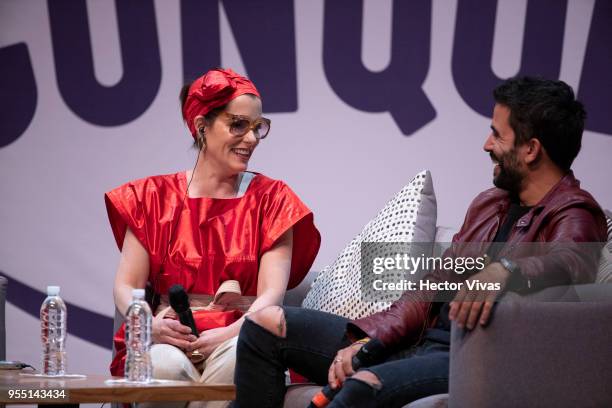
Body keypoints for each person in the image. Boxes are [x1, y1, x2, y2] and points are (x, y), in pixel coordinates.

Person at [233, 76, 607, 407]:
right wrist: (372, 342)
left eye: (497, 134)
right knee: (262, 327)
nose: (486, 144)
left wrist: (505, 269)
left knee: (361, 388)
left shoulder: (574, 211)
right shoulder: (490, 205)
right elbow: (431, 287)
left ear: (531, 149)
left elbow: (572, 260)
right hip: (418, 344)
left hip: (469, 359)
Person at [105, 68, 320, 408]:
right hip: (170, 335)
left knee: (240, 358)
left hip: (238, 334)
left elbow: (271, 296)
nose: (251, 139)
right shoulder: (150, 197)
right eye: (238, 125)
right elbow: (125, 285)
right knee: (162, 364)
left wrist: (230, 333)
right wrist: (148, 324)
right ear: (202, 125)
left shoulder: (274, 199)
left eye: (257, 127)